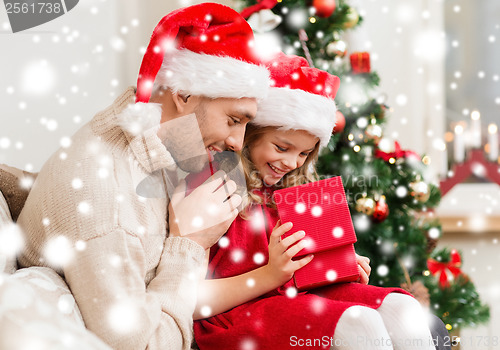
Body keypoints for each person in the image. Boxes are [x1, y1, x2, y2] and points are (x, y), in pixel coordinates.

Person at [16, 3, 270, 350]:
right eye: (233, 119)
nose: (237, 143)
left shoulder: (163, 139)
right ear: (184, 95)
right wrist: (189, 246)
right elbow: (145, 345)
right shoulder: (109, 205)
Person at [193, 53, 437, 350]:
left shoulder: (297, 193)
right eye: (282, 148)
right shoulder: (215, 185)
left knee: (404, 309)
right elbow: (193, 297)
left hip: (291, 296)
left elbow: (302, 273)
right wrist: (271, 274)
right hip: (236, 310)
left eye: (304, 154)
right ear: (251, 134)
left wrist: (339, 266)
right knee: (359, 323)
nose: (292, 163)